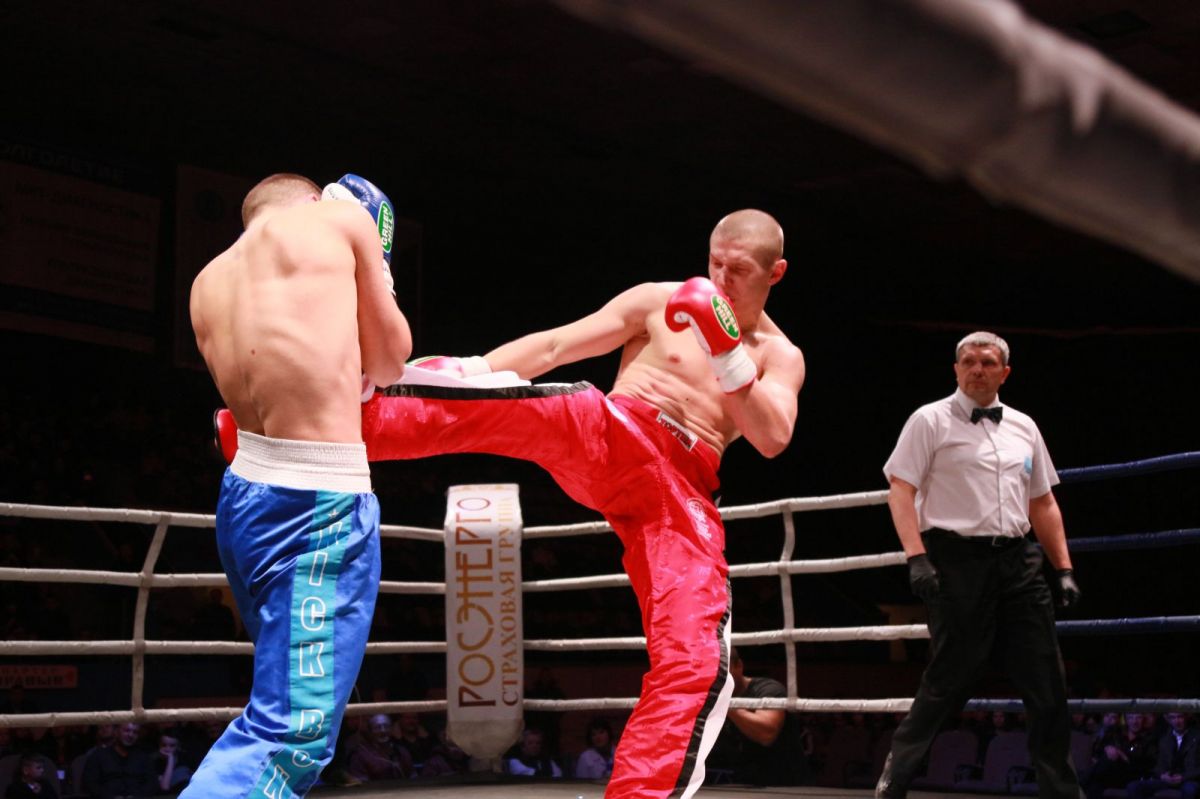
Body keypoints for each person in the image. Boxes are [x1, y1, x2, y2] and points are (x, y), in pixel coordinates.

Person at [360, 208, 805, 798]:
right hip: (616, 434)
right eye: (715, 264)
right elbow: (555, 346)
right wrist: (476, 369)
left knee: (699, 658)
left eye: (739, 270)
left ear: (775, 272)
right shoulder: (659, 300)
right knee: (538, 402)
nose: (721, 280)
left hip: (683, 490)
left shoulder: (779, 354)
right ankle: (322, 422)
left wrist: (727, 352)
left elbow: (772, 437)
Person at [184, 172, 411, 798]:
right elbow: (389, 360)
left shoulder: (206, 281)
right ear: (315, 200)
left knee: (281, 701)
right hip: (316, 506)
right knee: (291, 732)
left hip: (245, 497)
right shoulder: (341, 221)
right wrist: (379, 266)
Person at [874, 331, 1083, 799]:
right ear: (955, 369)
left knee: (1046, 677)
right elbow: (900, 490)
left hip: (1018, 560)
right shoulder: (929, 420)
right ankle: (896, 774)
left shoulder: (1024, 426)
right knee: (951, 675)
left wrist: (1063, 568)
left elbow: (1043, 502)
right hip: (956, 558)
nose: (977, 369)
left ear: (1004, 373)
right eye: (968, 361)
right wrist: (916, 557)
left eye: (987, 363)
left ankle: (1061, 790)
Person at [713, 647, 810, 786]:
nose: (716, 677)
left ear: (738, 665)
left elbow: (767, 734)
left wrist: (725, 701)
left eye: (721, 670)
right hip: (740, 783)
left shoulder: (768, 690)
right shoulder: (706, 696)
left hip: (785, 784)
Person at [1125, 712, 1199, 799]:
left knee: (1190, 789)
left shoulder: (1196, 737)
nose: (1177, 721)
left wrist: (1184, 777)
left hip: (1188, 779)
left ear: (1186, 717)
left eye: (1180, 717)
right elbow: (1159, 764)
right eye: (1173, 718)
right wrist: (1162, 775)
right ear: (1168, 720)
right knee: (1133, 786)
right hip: (1168, 778)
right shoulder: (1164, 738)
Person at [82, 722, 157, 798]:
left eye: (135, 732)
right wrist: (110, 797)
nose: (131, 735)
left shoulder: (144, 758)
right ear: (116, 732)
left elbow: (152, 784)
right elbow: (90, 783)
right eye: (126, 730)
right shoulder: (99, 756)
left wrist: (137, 796)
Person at [346, 714, 413, 783]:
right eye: (377, 727)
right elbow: (361, 783)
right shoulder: (360, 755)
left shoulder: (401, 751)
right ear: (370, 731)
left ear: (392, 729)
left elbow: (412, 776)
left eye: (386, 726)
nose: (383, 731)